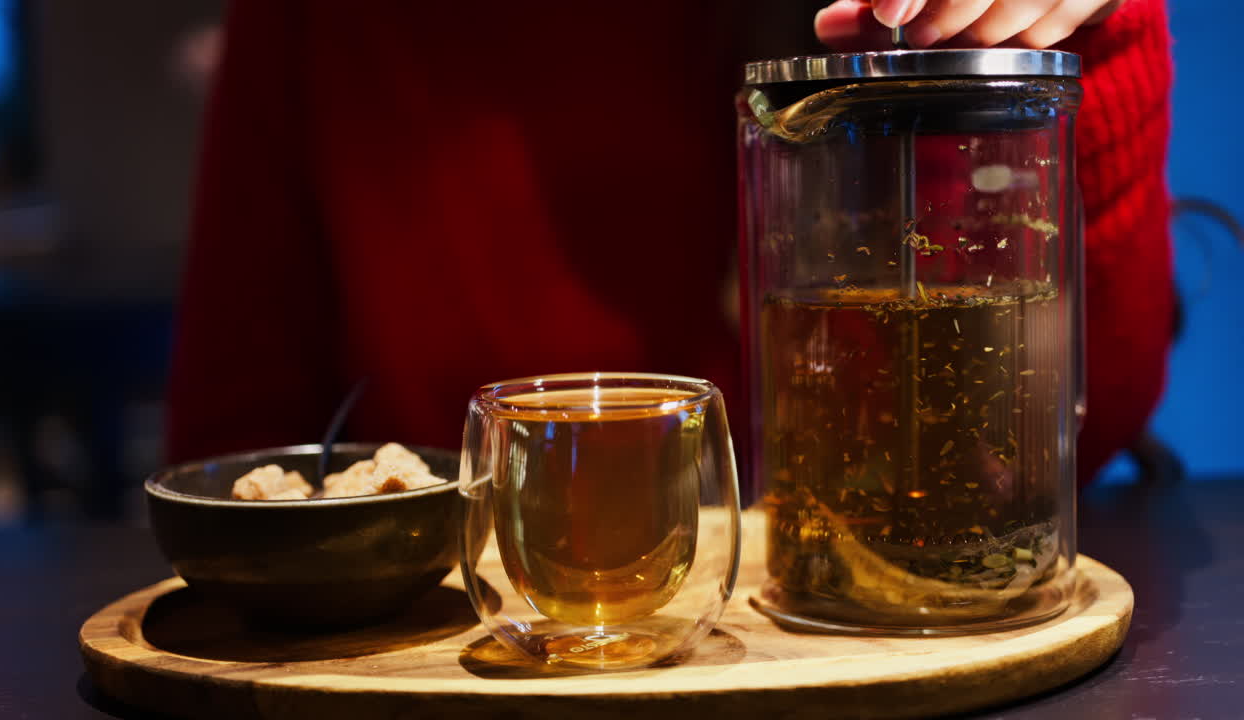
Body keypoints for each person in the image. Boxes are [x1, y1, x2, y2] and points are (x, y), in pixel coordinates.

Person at [167, 0, 1172, 489]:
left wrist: (1082, 41)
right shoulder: (326, 28)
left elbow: (1047, 454)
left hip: (852, 641)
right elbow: (231, 453)